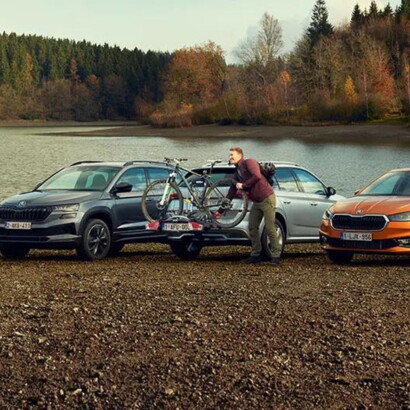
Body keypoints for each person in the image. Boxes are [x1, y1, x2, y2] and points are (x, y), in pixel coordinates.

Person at [220, 147, 281, 265]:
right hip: (256, 202)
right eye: (229, 155)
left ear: (240, 155)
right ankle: (256, 255)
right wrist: (220, 211)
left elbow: (257, 176)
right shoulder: (237, 173)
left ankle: (275, 256)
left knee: (270, 227)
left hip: (267, 198)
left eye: (232, 155)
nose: (230, 157)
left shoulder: (249, 162)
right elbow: (231, 192)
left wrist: (243, 185)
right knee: (252, 227)